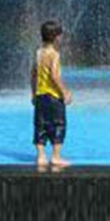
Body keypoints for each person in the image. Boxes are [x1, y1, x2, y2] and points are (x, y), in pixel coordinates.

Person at [31, 21, 74, 169]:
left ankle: (41, 156)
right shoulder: (54, 54)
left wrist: (33, 94)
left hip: (40, 95)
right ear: (56, 37)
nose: (61, 39)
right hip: (54, 96)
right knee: (58, 124)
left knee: (40, 125)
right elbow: (55, 76)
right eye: (60, 36)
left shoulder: (38, 53)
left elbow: (33, 74)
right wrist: (65, 92)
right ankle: (56, 157)